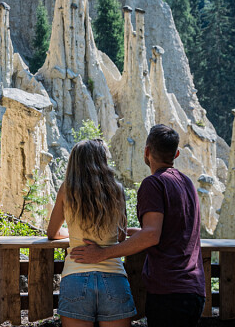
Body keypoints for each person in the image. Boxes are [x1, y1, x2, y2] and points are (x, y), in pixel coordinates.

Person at [69, 124, 206, 327]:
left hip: (169, 291)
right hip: (194, 288)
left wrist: (101, 254)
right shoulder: (187, 183)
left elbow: (151, 235)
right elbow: (173, 229)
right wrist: (135, 232)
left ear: (147, 151)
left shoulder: (153, 183)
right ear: (176, 154)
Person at [47, 138, 136, 327]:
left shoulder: (66, 189)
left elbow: (52, 233)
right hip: (113, 276)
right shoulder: (117, 190)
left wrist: (74, 234)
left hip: (75, 276)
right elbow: (121, 236)